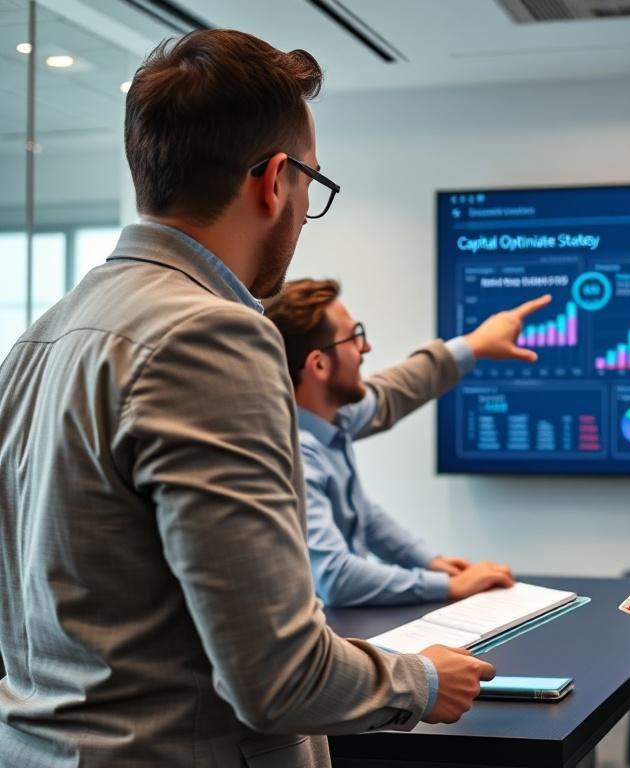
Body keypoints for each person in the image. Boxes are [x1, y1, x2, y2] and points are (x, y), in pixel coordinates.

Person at [0, 30, 492, 768]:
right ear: (272, 180)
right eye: (312, 185)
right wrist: (418, 681)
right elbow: (278, 675)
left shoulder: (39, 339)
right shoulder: (213, 334)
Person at [264, 279, 550, 606]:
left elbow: (361, 512)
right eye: (354, 336)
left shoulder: (332, 420)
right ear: (319, 365)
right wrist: (446, 586)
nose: (366, 347)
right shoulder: (296, 451)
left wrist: (429, 561)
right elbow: (336, 577)